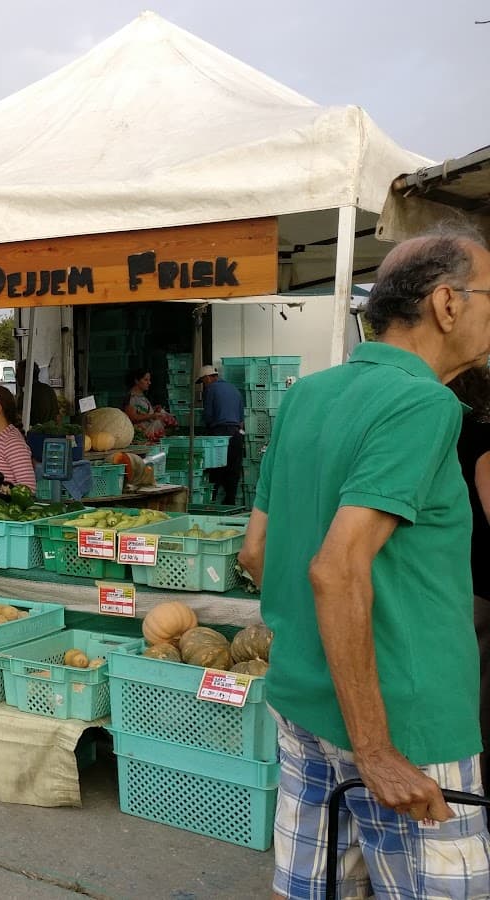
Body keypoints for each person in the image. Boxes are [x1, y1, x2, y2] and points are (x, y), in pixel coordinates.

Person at [238, 225, 490, 898]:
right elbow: (337, 568)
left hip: (301, 700)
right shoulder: (425, 403)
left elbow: (255, 551)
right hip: (403, 724)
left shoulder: (309, 395)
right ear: (447, 303)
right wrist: (376, 750)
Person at [449, 364, 490, 774]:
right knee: (480, 686)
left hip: (451, 571)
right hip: (481, 577)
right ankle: (476, 777)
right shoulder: (481, 437)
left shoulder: (436, 431)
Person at [196, 364, 246, 505]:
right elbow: (241, 419)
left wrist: (205, 430)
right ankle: (230, 502)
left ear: (208, 378)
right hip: (236, 433)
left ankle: (211, 502)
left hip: (220, 433)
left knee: (216, 467)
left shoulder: (211, 390)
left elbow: (208, 415)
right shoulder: (234, 389)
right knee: (233, 469)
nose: (203, 385)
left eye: (203, 381)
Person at [120, 369, 165, 443]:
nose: (149, 383)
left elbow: (141, 411)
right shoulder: (131, 398)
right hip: (139, 438)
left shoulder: (141, 396)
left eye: (149, 380)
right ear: (137, 381)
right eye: (146, 380)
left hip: (148, 436)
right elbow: (133, 417)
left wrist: (154, 409)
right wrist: (152, 416)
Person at [25, 364, 61, 429]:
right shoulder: (48, 389)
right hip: (49, 433)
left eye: (19, 373)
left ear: (26, 374)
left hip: (35, 434)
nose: (16, 376)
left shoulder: (27, 393)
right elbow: (57, 417)